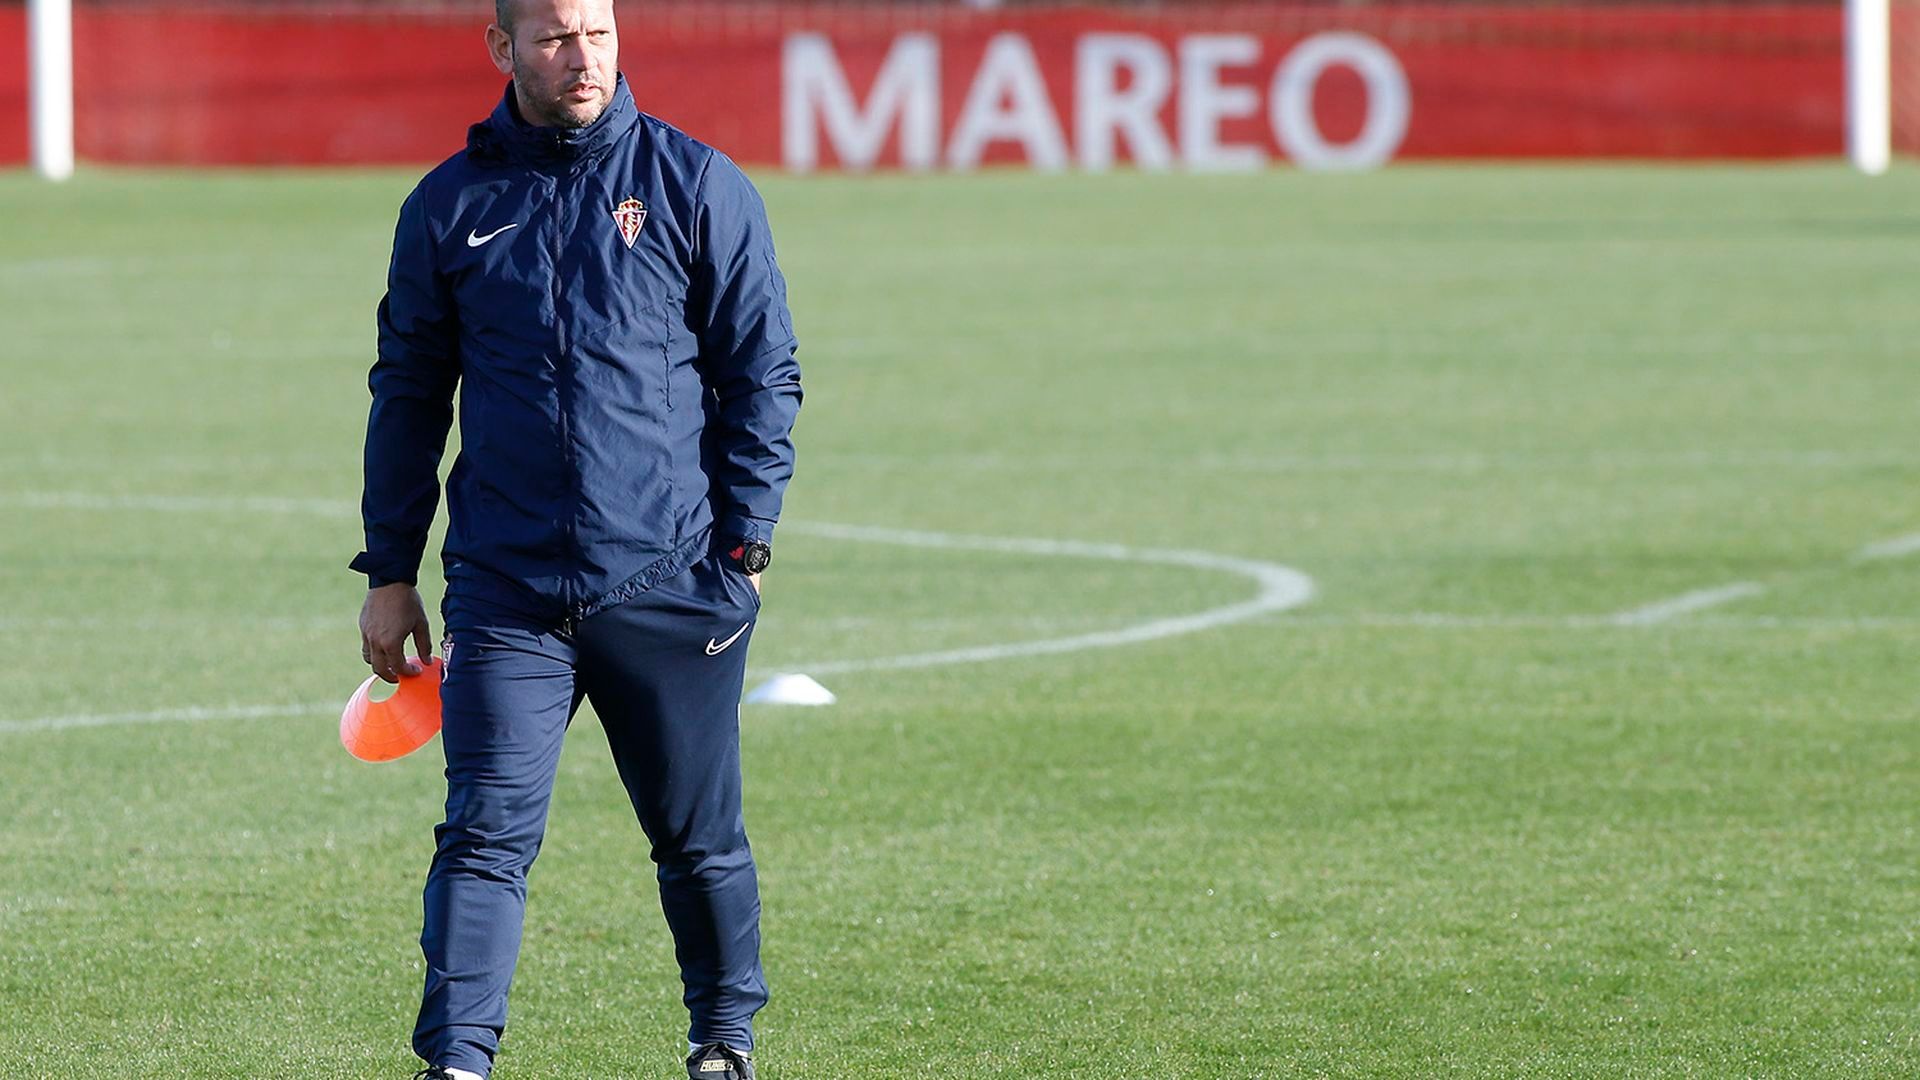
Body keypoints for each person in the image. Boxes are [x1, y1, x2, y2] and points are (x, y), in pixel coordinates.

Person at [349, 0, 800, 1073]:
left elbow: (762, 373)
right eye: (554, 36)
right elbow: (408, 393)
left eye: (596, 31)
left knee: (698, 845)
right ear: (502, 48)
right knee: (484, 841)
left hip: (672, 583)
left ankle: (724, 1040)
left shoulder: (697, 185)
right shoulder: (450, 206)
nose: (581, 55)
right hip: (506, 597)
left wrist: (744, 550)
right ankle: (456, 1058)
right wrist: (390, 570)